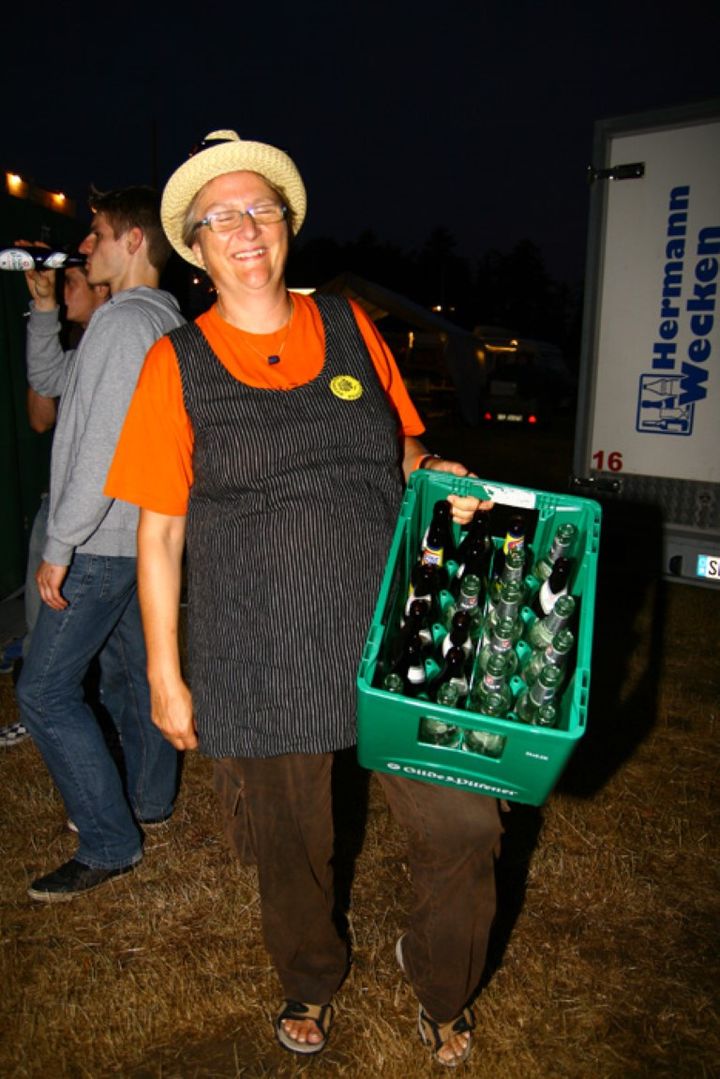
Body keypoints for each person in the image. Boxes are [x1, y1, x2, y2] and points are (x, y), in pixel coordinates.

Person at [105, 132, 503, 1067]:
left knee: (466, 821)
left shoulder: (353, 326)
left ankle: (440, 979)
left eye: (261, 208)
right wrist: (165, 672)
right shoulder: (174, 363)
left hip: (398, 631)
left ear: (286, 224)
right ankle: (310, 975)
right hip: (261, 645)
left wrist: (433, 469)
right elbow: (159, 532)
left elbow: (398, 447)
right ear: (195, 247)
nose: (245, 228)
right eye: (221, 218)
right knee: (291, 842)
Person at [16, 187, 184, 902]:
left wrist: (60, 542)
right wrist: (45, 310)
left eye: (97, 233)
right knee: (128, 678)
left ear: (134, 240)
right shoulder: (158, 319)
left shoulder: (122, 324)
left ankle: (111, 840)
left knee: (44, 693)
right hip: (131, 539)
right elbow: (53, 382)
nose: (84, 246)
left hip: (100, 541)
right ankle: (149, 801)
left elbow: (101, 450)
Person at [0, 260, 110, 750]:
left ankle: (69, 711)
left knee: (91, 636)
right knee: (39, 620)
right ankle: (45, 713)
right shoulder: (72, 343)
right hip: (60, 500)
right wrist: (44, 323)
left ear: (102, 289)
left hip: (93, 512)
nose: (63, 291)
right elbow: (39, 416)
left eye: (72, 282)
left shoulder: (122, 340)